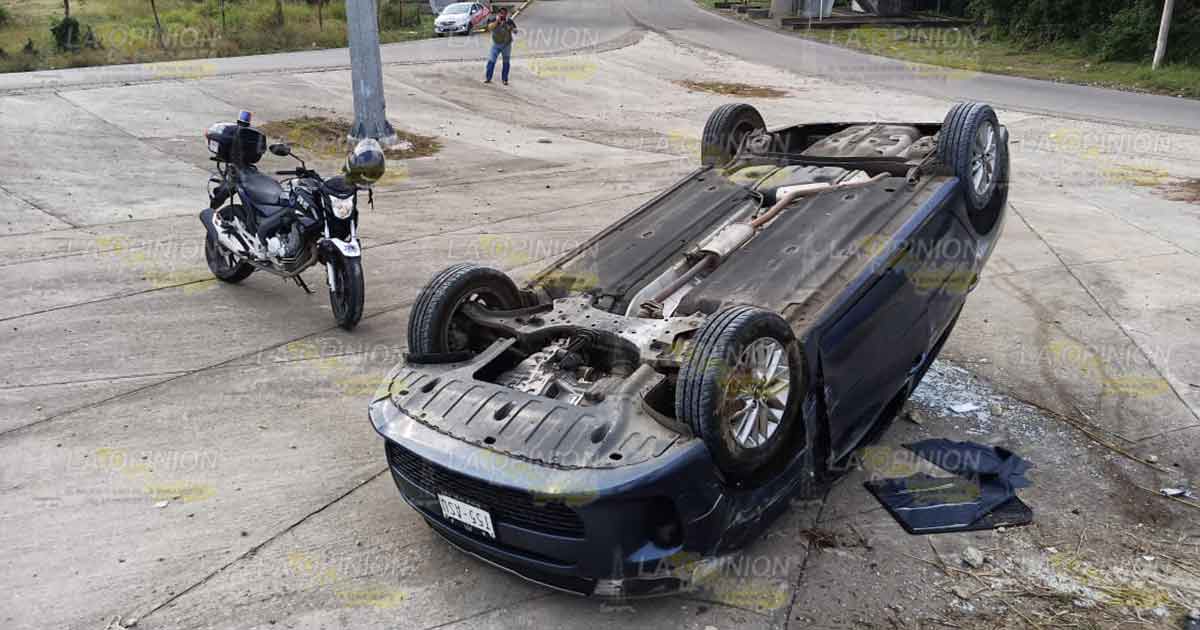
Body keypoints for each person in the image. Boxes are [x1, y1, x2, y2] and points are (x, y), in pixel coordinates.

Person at [484, 7, 517, 85]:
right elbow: (489, 28)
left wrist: (510, 28)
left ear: (506, 14)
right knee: (491, 60)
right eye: (501, 13)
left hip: (506, 45)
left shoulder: (509, 21)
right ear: (498, 14)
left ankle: (505, 79)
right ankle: (488, 78)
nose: (503, 15)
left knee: (506, 62)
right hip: (496, 44)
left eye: (504, 14)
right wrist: (497, 21)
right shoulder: (493, 19)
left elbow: (515, 31)